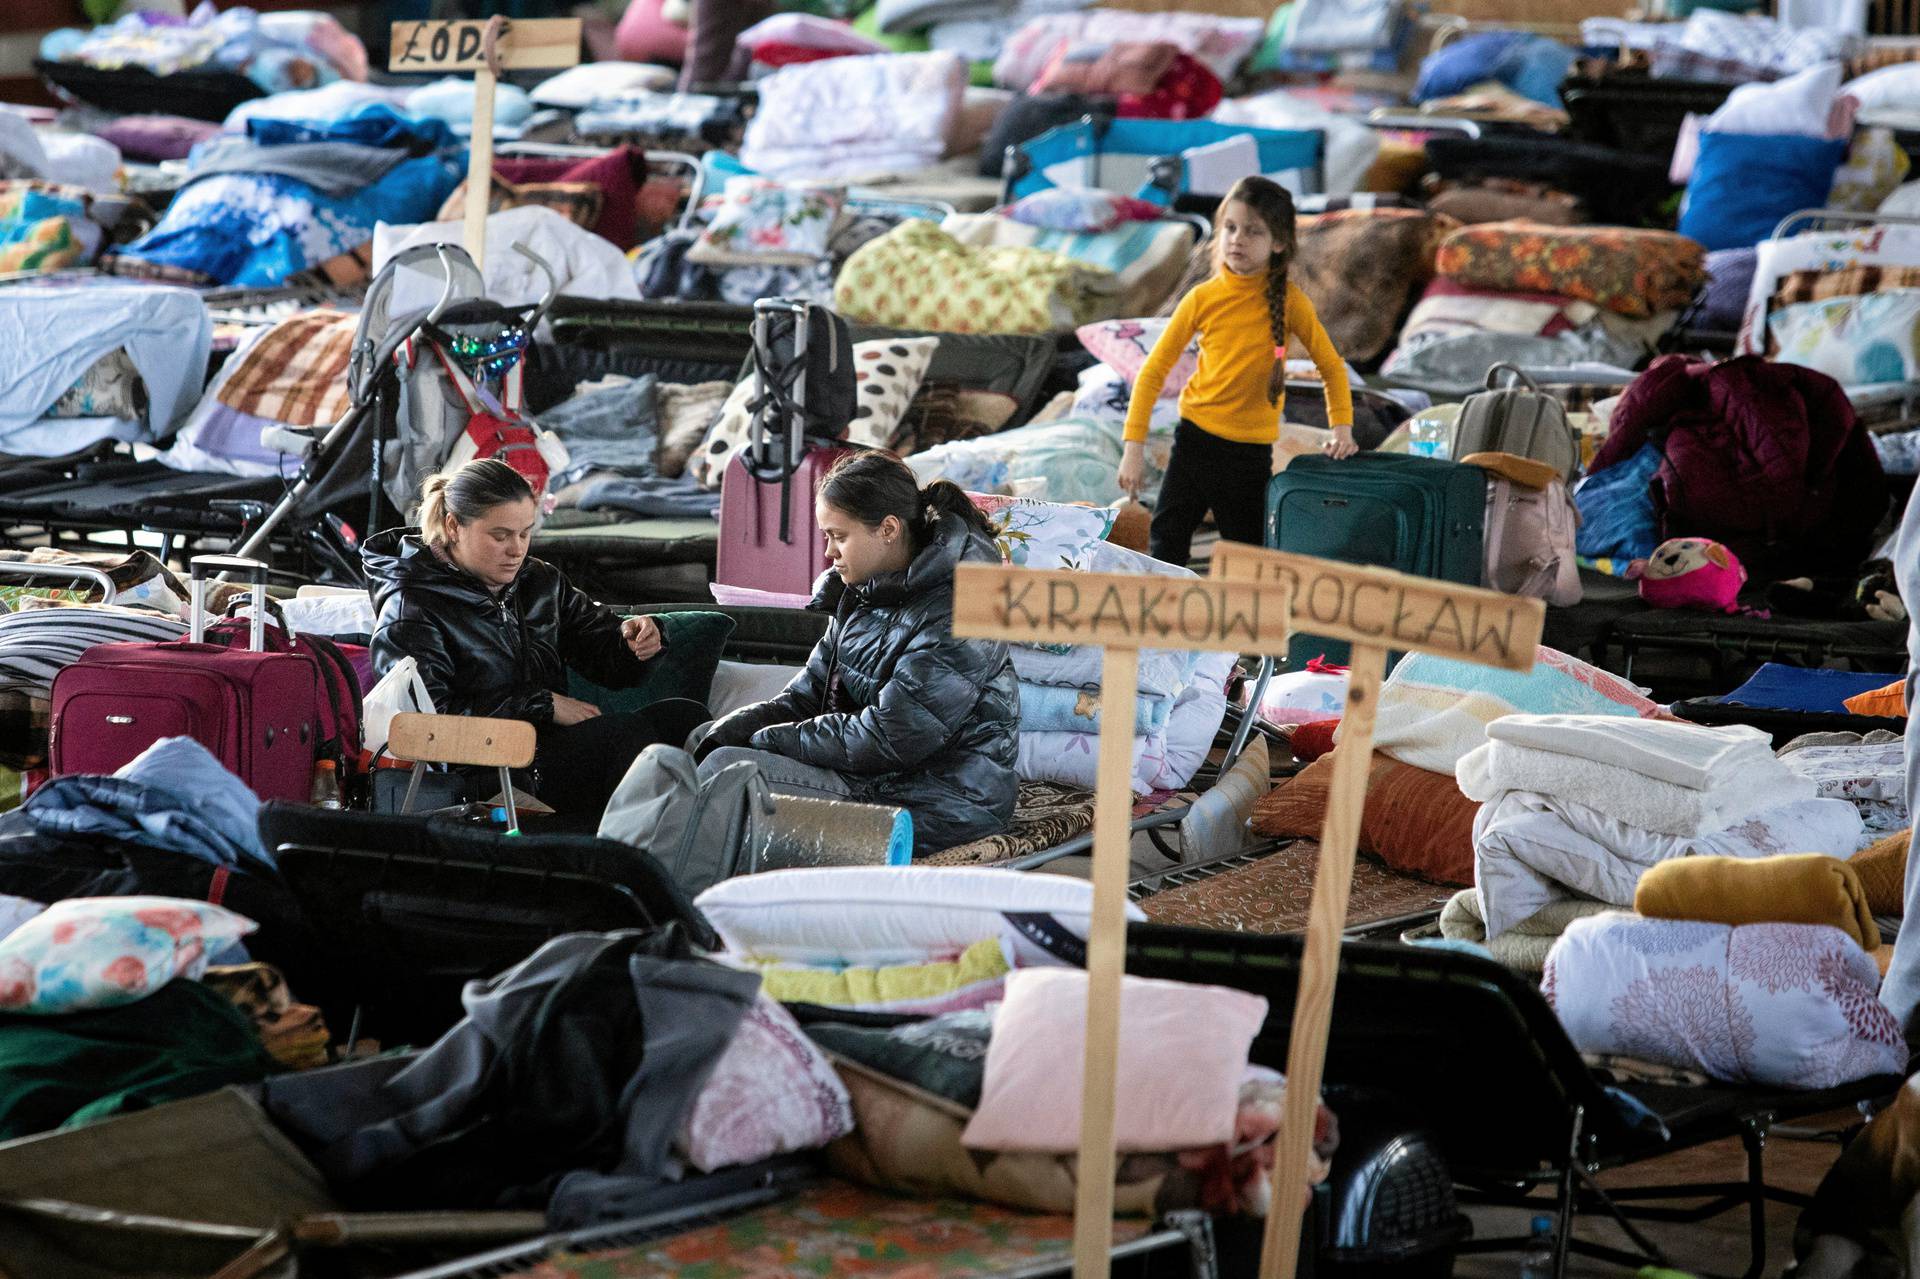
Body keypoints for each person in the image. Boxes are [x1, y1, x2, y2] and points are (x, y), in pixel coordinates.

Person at [687, 452, 1019, 857]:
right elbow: (805, 697)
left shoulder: (962, 607)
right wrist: (736, 727)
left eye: (838, 536)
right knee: (703, 742)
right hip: (873, 774)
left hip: (942, 801)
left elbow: (890, 736)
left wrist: (765, 740)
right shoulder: (864, 593)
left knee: (726, 772)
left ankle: (682, 894)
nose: (828, 553)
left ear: (888, 529)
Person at [364, 458, 707, 818]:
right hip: (483, 779)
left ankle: (688, 846)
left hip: (543, 753)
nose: (517, 550)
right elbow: (423, 726)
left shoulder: (539, 582)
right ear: (453, 527)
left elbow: (606, 656)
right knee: (626, 736)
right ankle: (638, 856)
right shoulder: (411, 605)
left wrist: (638, 641)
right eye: (500, 536)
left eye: (525, 533)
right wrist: (538, 703)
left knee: (684, 720)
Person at [1117, 175, 1357, 568]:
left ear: (1278, 243)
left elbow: (1331, 366)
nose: (1237, 239)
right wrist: (1133, 447)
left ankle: (1241, 625)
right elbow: (1153, 370)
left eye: (1253, 231)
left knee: (1249, 554)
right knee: (1167, 539)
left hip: (1249, 453)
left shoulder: (1291, 303)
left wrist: (1342, 428)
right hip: (1194, 440)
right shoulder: (1202, 297)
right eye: (1229, 228)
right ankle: (1162, 623)